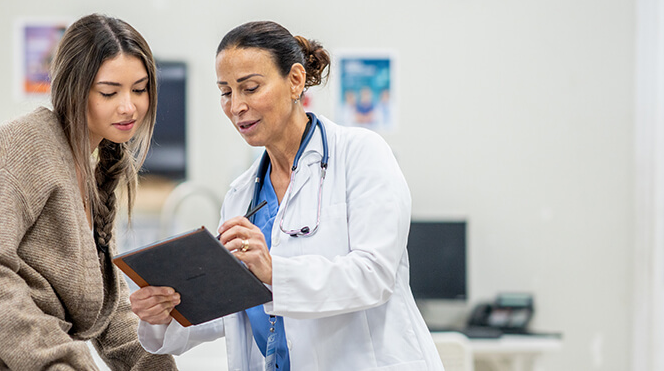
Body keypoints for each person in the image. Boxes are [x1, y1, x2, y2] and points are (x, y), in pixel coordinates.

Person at [129, 21, 444, 370]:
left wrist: (274, 271)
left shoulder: (361, 155)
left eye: (250, 87)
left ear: (295, 80)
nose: (237, 106)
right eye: (226, 92)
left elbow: (374, 275)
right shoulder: (241, 195)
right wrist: (165, 311)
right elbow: (235, 309)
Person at [0, 14, 177, 371]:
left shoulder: (92, 170)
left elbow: (110, 308)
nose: (128, 106)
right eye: (109, 92)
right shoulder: (25, 145)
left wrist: (155, 365)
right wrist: (59, 362)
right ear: (74, 89)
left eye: (140, 89)